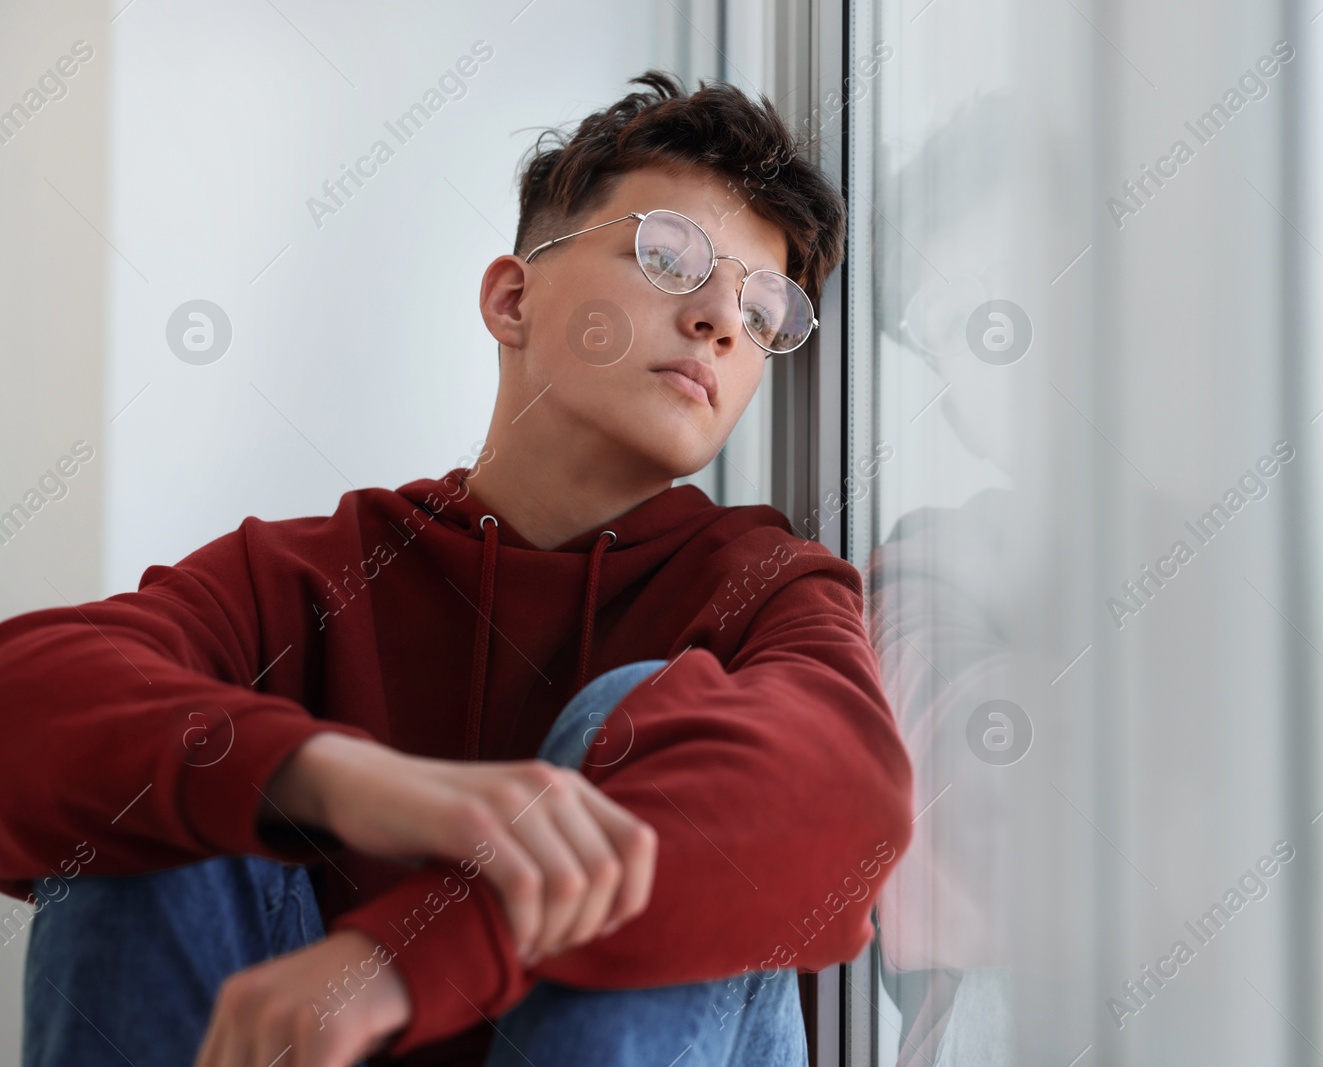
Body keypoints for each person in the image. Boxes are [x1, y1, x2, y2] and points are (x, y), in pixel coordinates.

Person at [0, 70, 913, 1067]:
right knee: (149, 787)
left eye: (764, 305)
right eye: (668, 254)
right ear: (513, 299)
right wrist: (336, 777)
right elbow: (30, 694)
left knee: (654, 733)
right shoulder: (306, 574)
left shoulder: (769, 583)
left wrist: (412, 954)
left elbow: (846, 795)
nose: (721, 321)